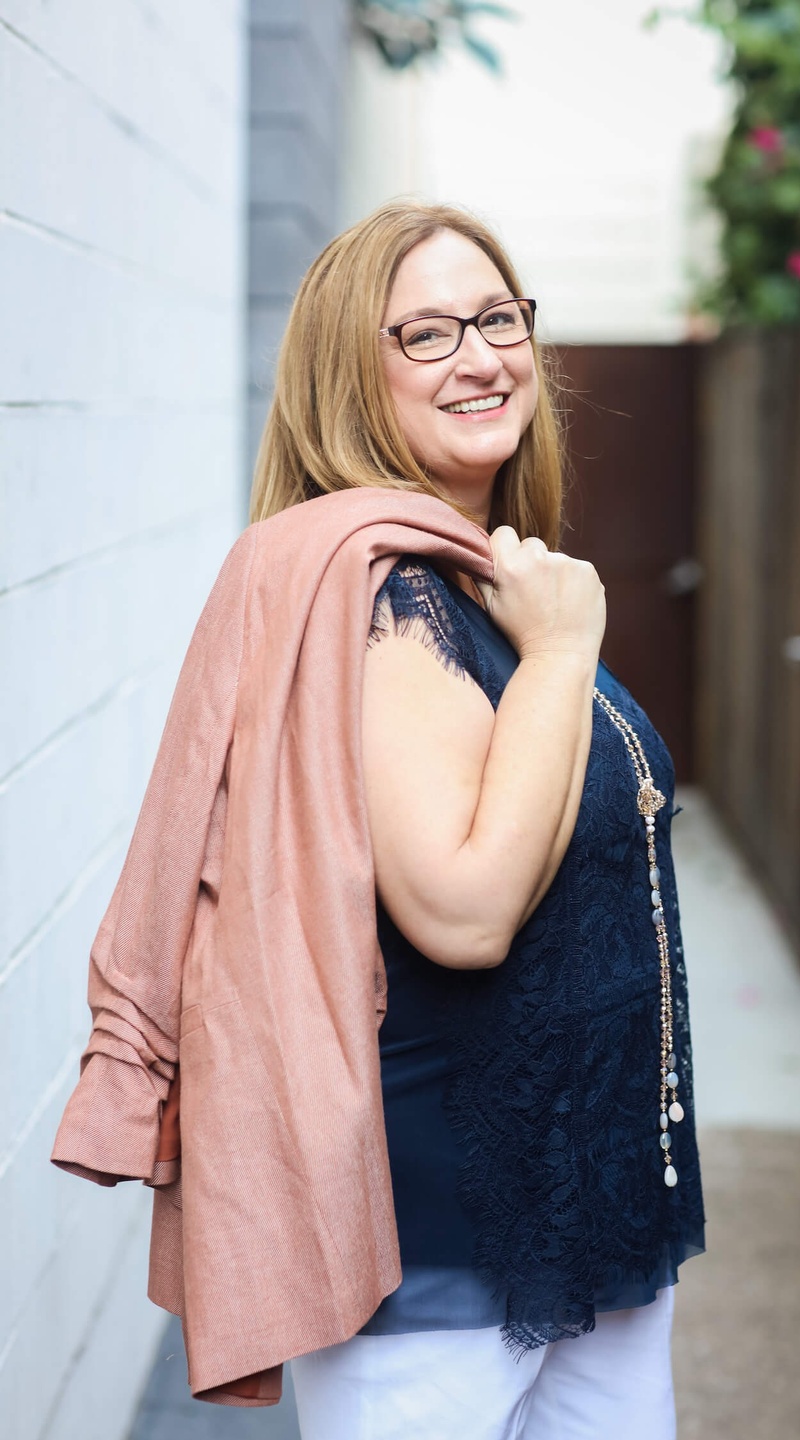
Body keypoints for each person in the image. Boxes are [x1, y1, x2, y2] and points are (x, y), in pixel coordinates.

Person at [51, 200, 704, 1437]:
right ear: (351, 374)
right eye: (427, 333)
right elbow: (465, 912)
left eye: (498, 318)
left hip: (591, 1211)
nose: (481, 356)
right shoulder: (385, 599)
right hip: (444, 1252)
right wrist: (564, 652)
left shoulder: (478, 576)